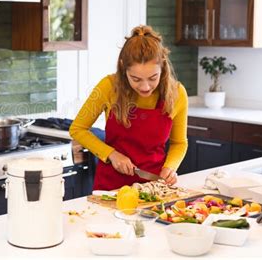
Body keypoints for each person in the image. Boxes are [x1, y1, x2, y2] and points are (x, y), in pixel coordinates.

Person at [69, 25, 188, 190]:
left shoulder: (177, 93)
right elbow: (77, 129)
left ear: (163, 67)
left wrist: (170, 168)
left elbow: (179, 143)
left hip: (154, 186)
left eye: (153, 78)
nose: (145, 87)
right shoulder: (108, 87)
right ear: (123, 67)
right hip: (111, 188)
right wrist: (112, 154)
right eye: (136, 79)